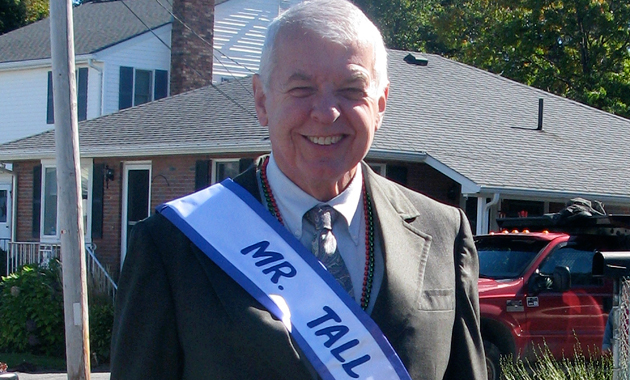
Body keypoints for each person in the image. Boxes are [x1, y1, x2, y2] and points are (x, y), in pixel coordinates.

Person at [110, 0, 487, 379]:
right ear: (262, 101)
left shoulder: (443, 232)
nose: (326, 112)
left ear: (381, 104)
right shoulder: (172, 244)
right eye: (301, 89)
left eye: (351, 89)